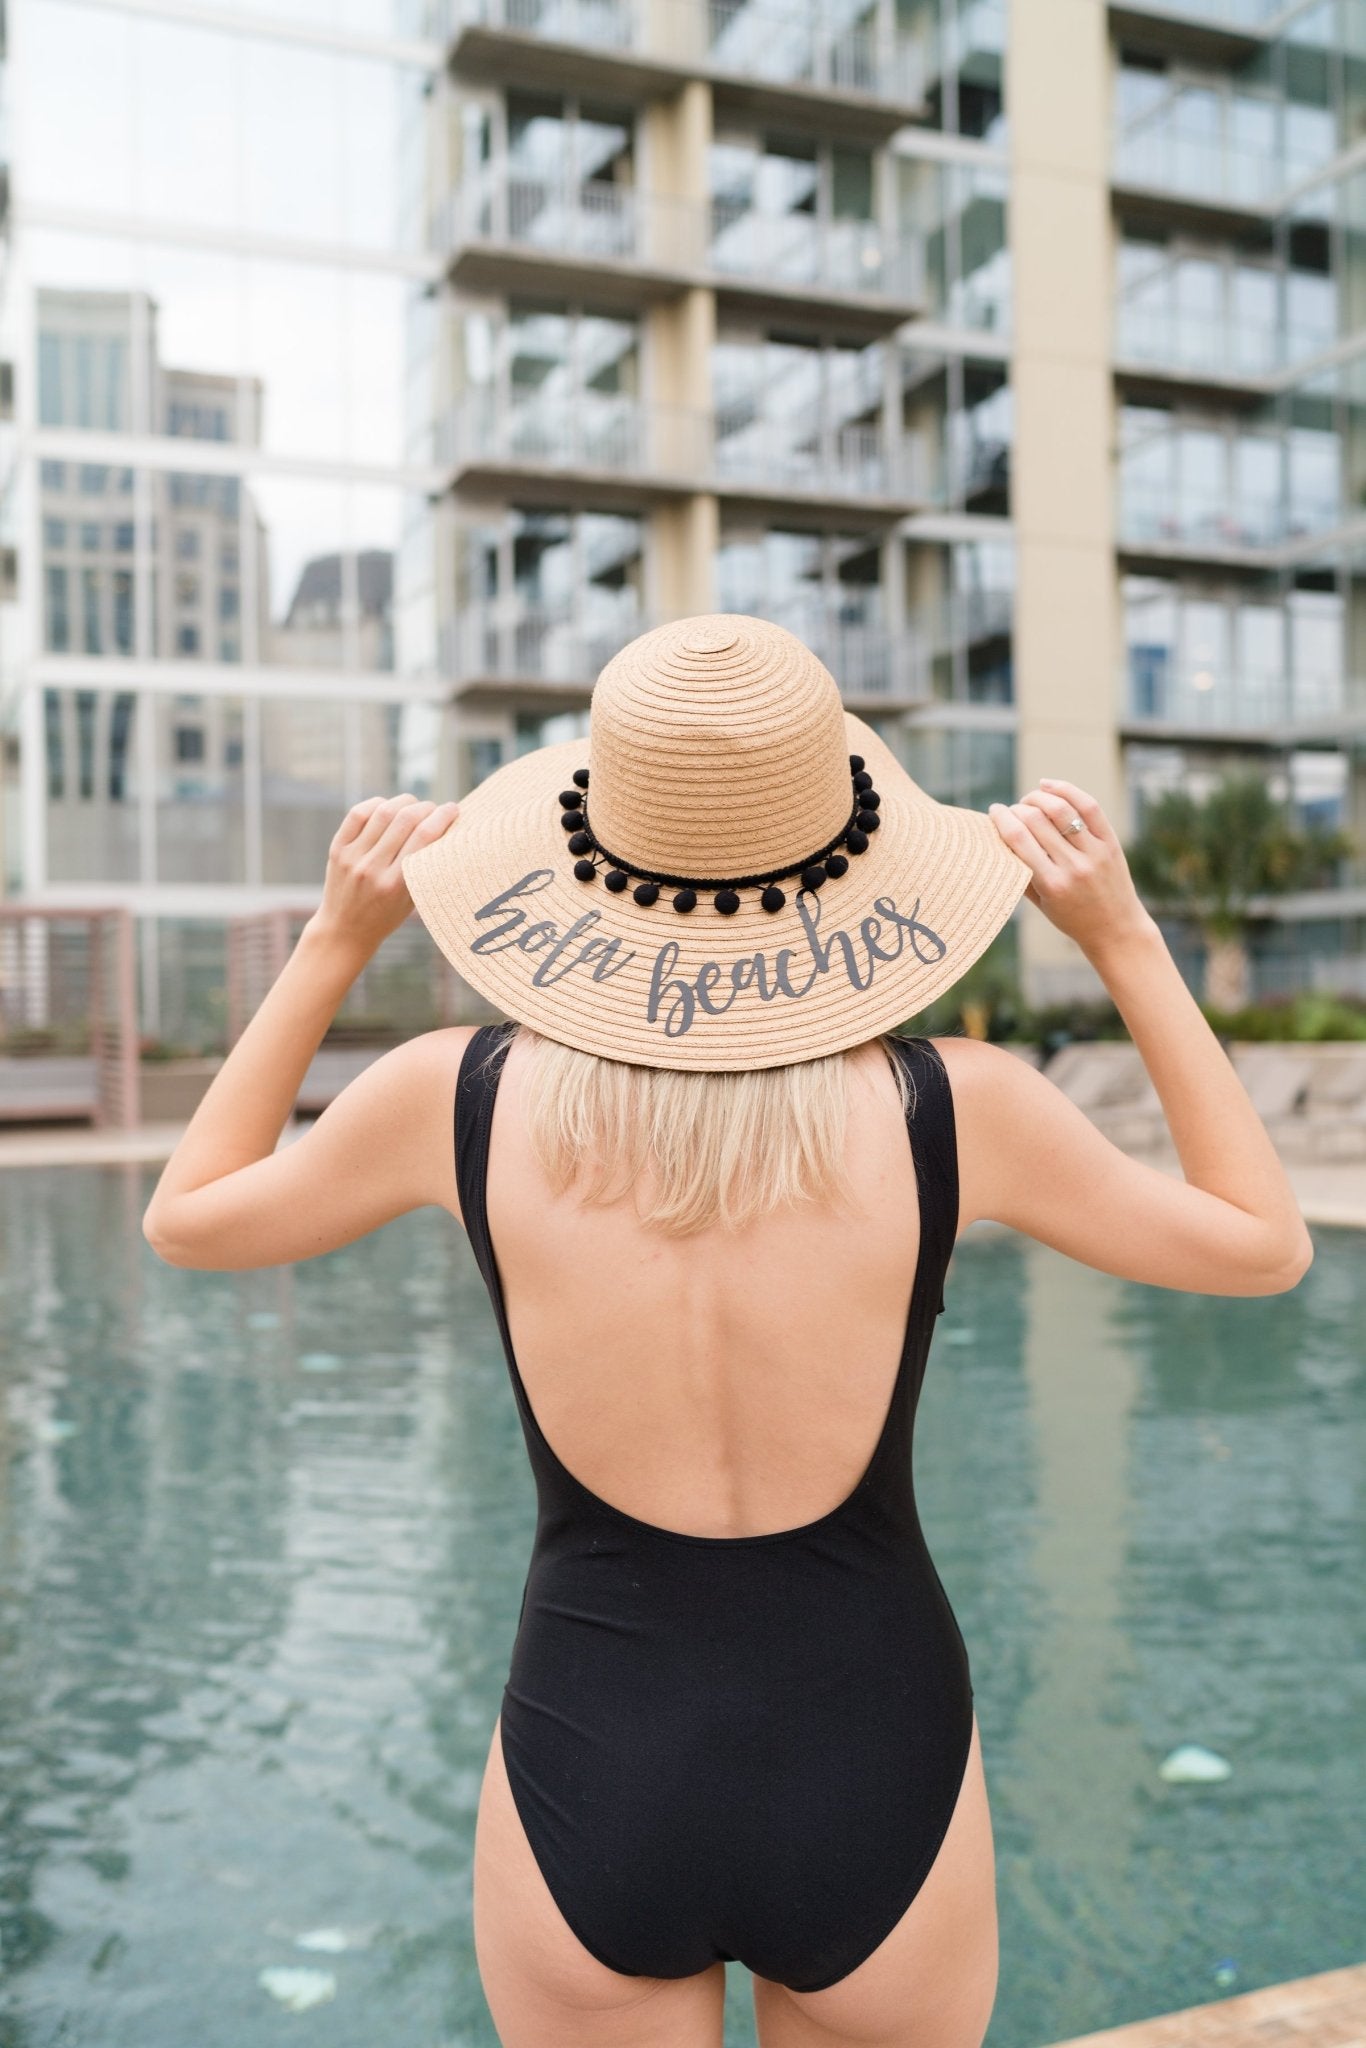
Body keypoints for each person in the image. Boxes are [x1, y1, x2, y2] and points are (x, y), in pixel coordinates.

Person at [143, 617, 1313, 2048]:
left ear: (581, 862)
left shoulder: (455, 1101)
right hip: (872, 1742)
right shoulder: (954, 1109)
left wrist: (336, 938)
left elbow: (188, 1218)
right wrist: (1123, 939)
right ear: (849, 860)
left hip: (594, 1744)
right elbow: (1263, 1246)